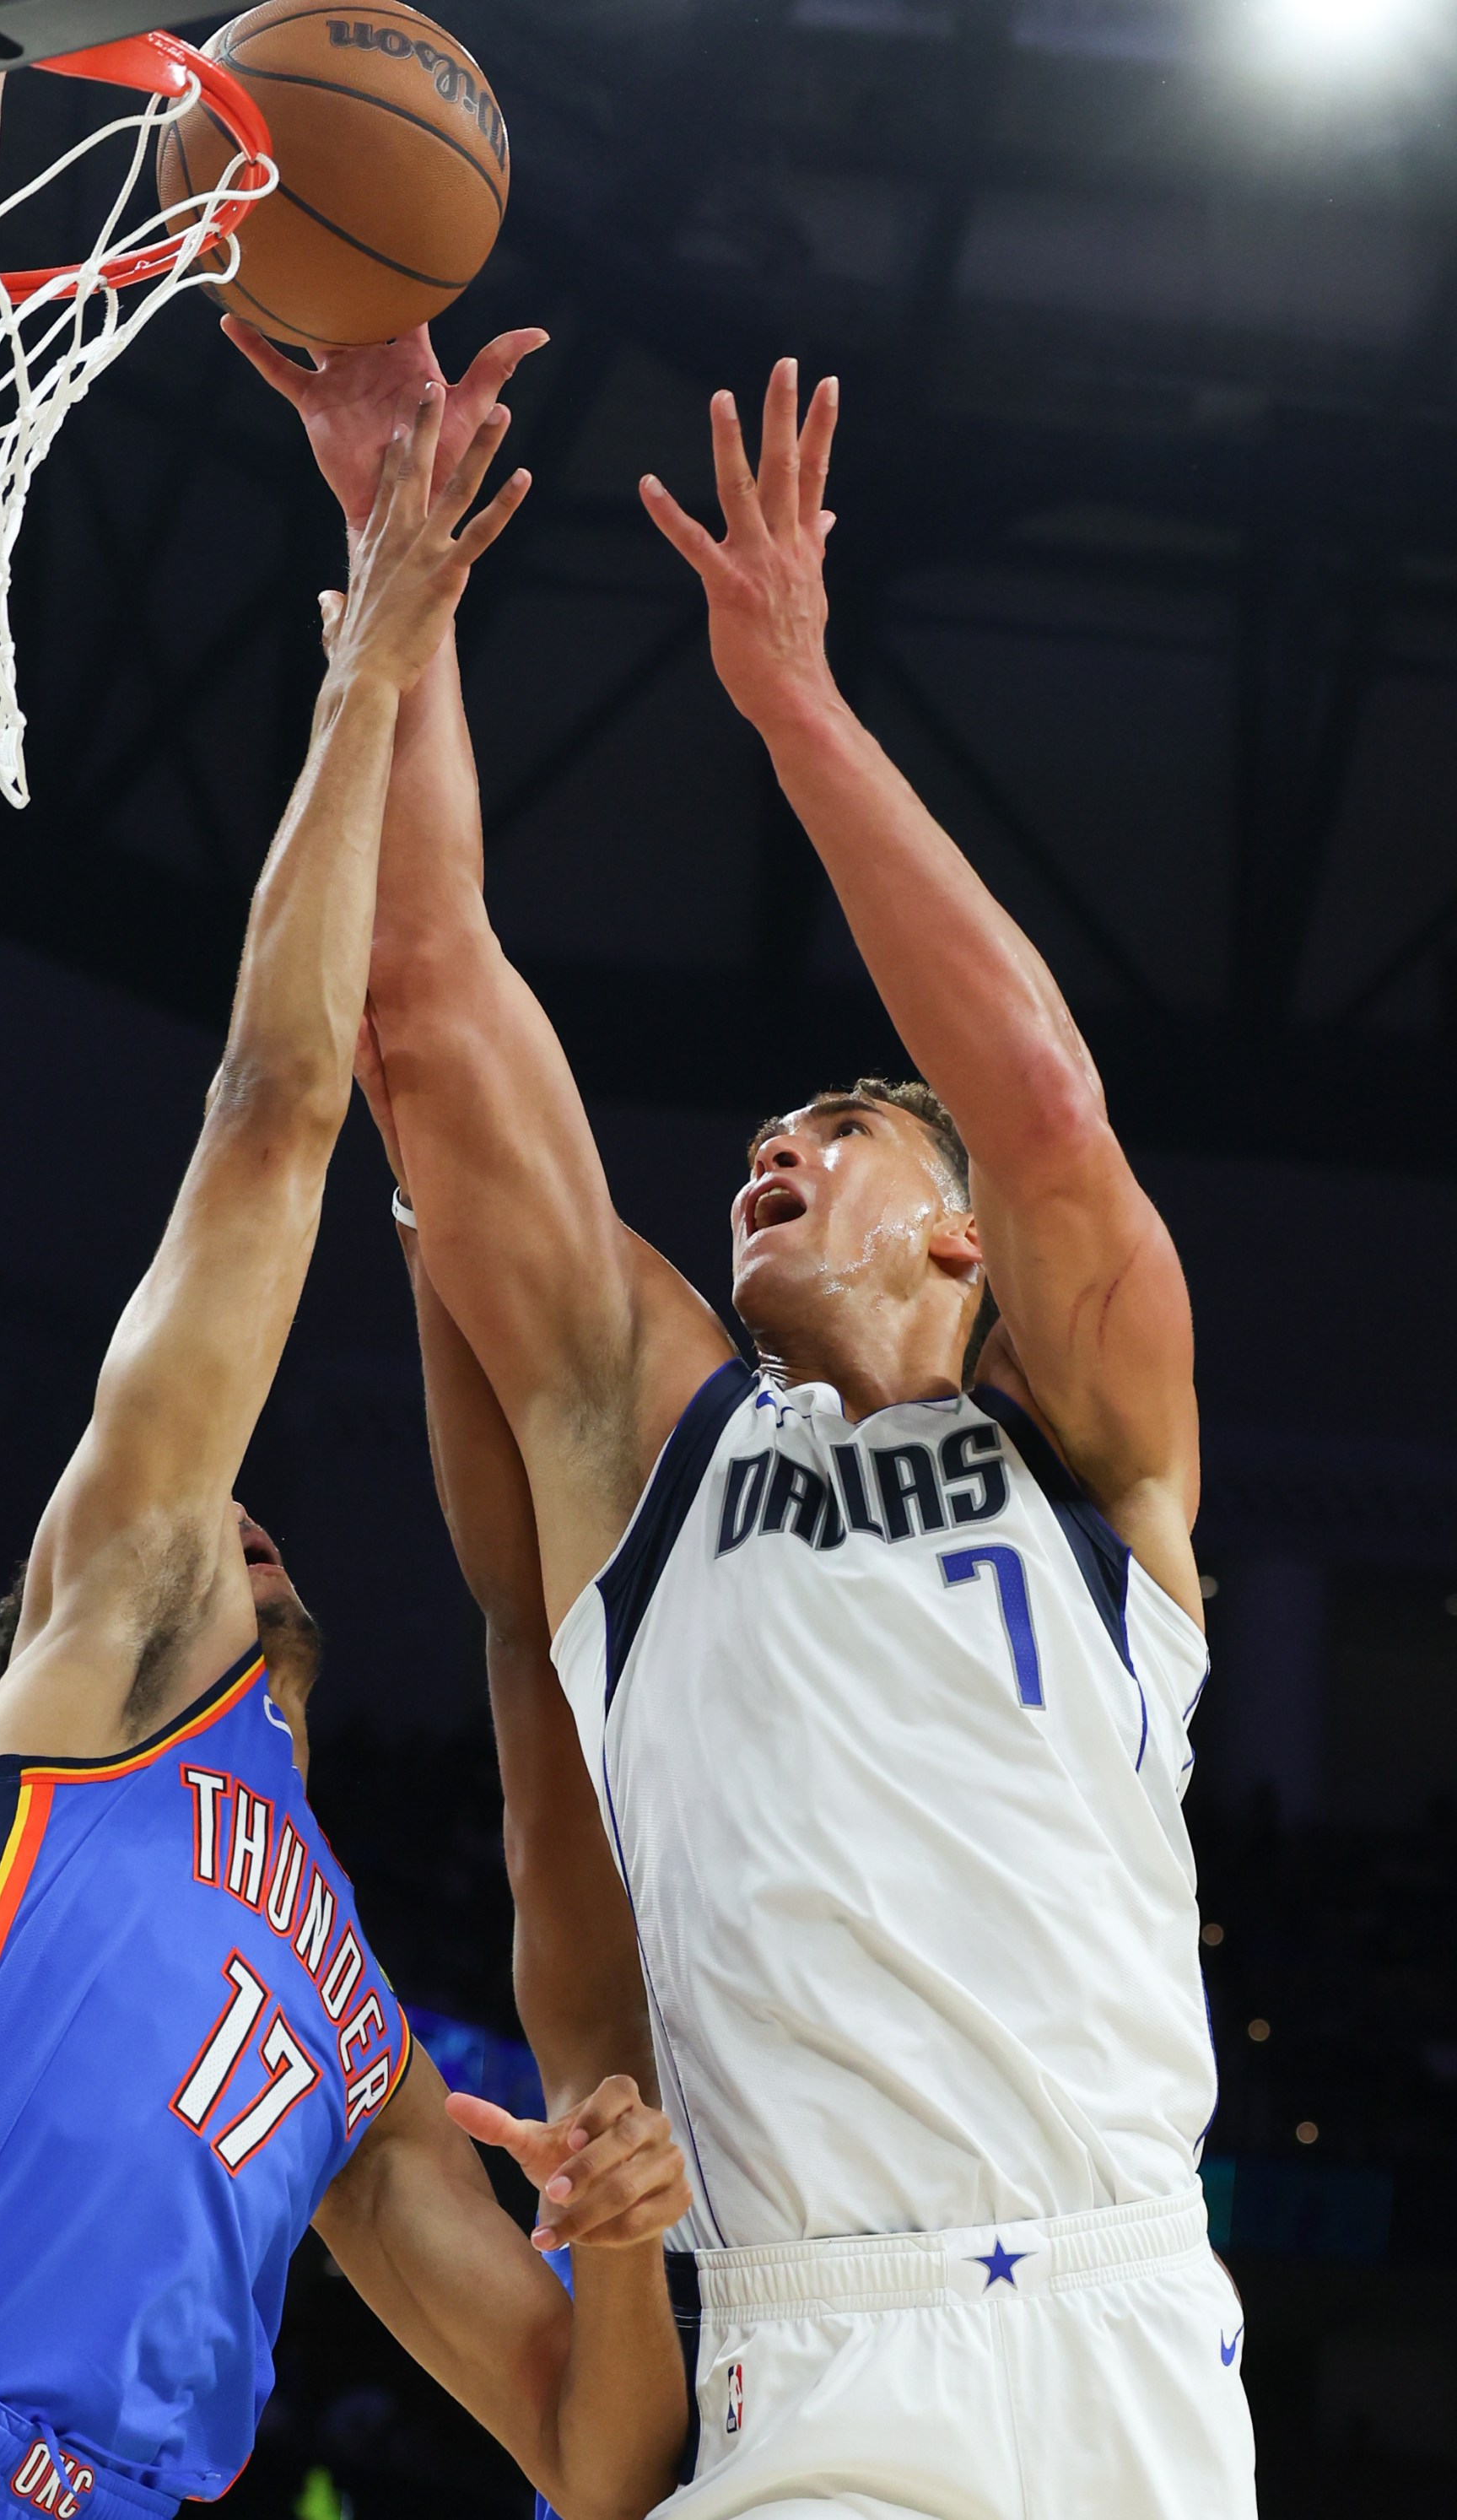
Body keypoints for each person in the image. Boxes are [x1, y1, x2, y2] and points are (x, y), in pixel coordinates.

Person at [0, 389, 694, 2520]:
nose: (229, 1511)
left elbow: (594, 2448)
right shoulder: (112, 1646)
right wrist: (370, 672)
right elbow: (280, 1109)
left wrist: (636, 2235)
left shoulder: (358, 2021)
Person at [235, 321, 1256, 2518]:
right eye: (764, 1133)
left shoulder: (1099, 1463)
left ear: (963, 1245)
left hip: (1123, 2333)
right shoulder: (652, 1445)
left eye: (848, 1132)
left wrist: (793, 699)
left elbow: (1051, 1109)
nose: (775, 1147)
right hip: (823, 2352)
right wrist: (388, 541)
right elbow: (424, 1011)